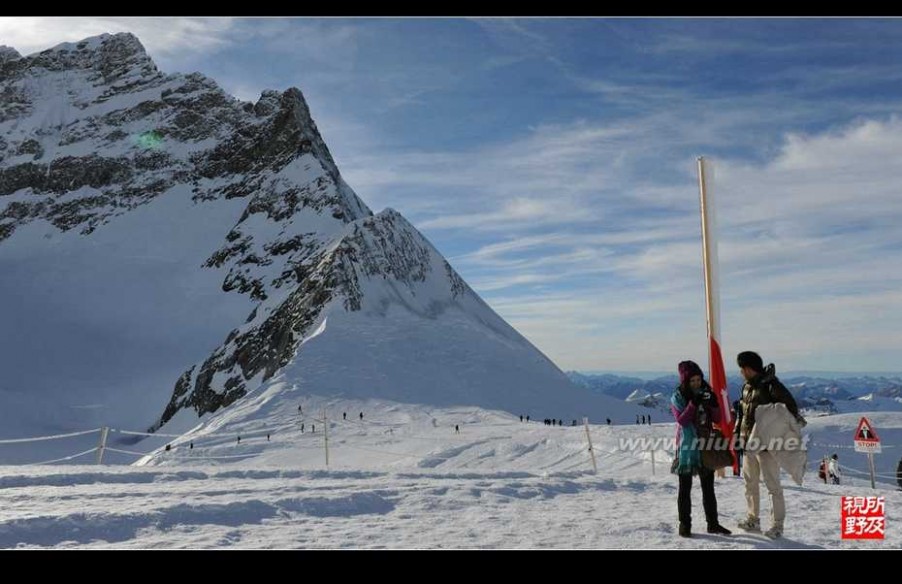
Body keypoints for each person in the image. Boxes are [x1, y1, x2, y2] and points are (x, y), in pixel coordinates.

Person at [736, 351, 802, 539]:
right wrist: (738, 435)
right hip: (749, 445)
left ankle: (777, 525)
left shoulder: (772, 386)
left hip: (767, 448)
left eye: (742, 369)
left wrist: (770, 429)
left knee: (773, 486)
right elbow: (742, 415)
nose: (740, 372)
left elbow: (791, 408)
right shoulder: (746, 387)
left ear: (748, 369)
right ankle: (753, 519)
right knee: (750, 483)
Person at [670, 360, 732, 538]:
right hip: (687, 448)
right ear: (685, 382)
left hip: (706, 446)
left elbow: (717, 419)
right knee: (685, 489)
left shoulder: (706, 393)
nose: (697, 383)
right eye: (693, 381)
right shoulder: (678, 398)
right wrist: (694, 403)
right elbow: (682, 420)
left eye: (699, 379)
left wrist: (713, 403)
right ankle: (685, 524)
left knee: (708, 489)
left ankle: (713, 524)